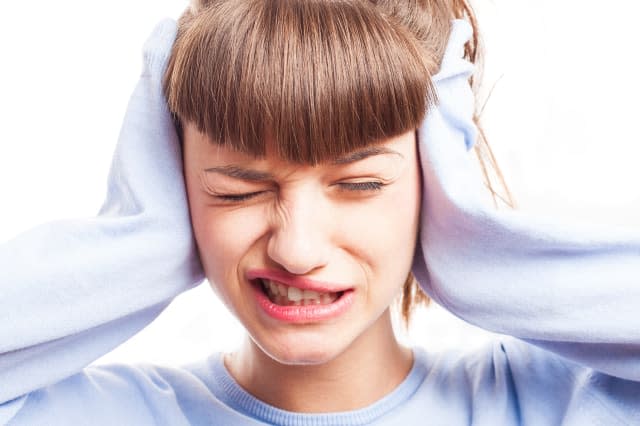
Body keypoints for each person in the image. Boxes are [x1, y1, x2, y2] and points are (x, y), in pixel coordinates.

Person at [1, 0, 639, 425]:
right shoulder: (100, 413)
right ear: (173, 181)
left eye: (360, 184)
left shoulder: (557, 404)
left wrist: (482, 259)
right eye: (238, 190)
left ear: (435, 179)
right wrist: (142, 240)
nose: (297, 249)